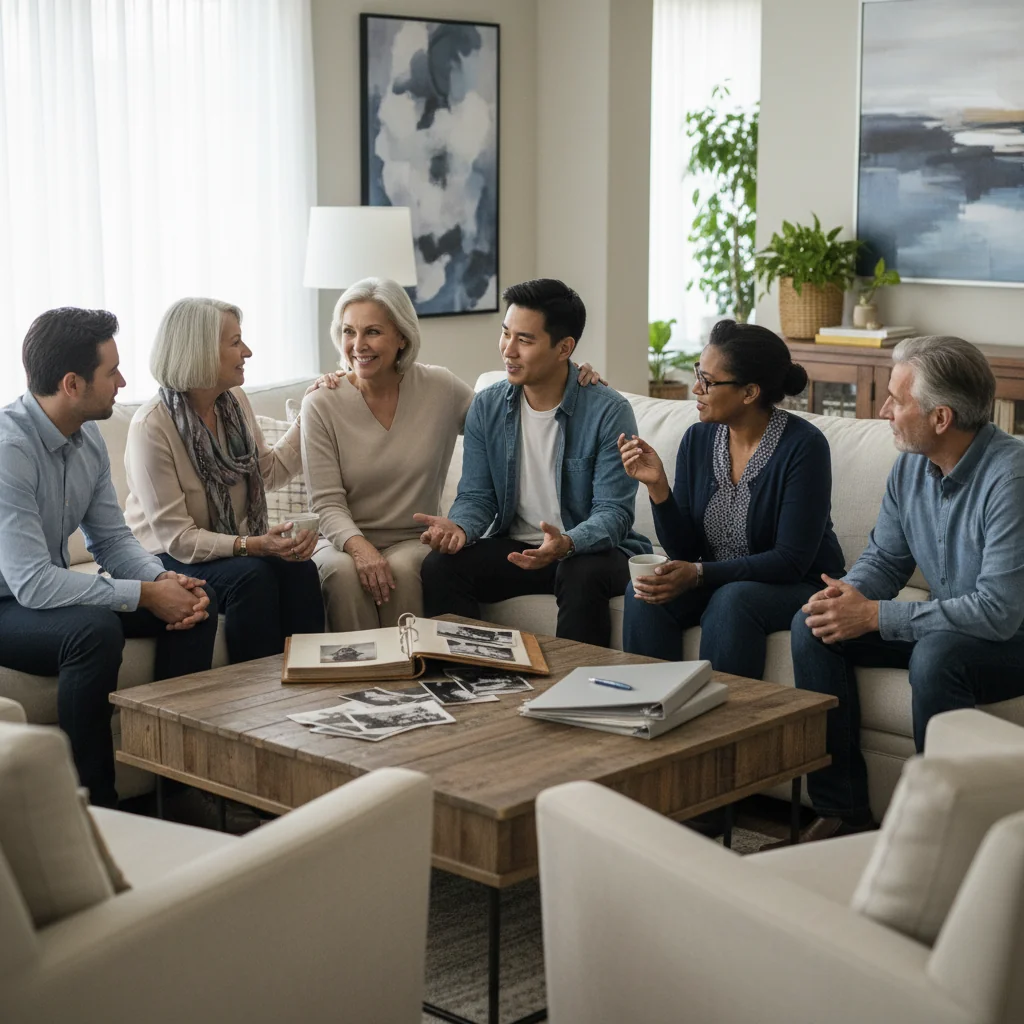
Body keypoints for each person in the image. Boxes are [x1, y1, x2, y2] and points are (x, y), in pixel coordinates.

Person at [791, 335, 1024, 842]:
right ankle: (843, 813)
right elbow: (885, 560)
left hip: (1013, 638)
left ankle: (942, 833)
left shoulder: (1012, 478)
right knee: (814, 625)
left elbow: (999, 613)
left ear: (940, 418)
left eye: (897, 399)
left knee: (937, 657)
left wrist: (875, 617)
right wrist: (845, 597)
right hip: (958, 623)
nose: (883, 410)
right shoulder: (911, 466)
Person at [0, 308, 218, 807]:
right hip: (8, 603)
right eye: (111, 372)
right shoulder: (8, 449)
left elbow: (113, 541)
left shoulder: (88, 436)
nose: (123, 381)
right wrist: (145, 594)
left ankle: (180, 788)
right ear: (72, 383)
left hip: (37, 591)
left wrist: (167, 584)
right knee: (91, 632)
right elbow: (32, 583)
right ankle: (94, 805)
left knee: (194, 606)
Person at [300, 276, 605, 631]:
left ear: (402, 336)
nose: (357, 344)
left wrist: (573, 378)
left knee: (407, 569)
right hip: (341, 539)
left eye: (372, 332)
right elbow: (324, 501)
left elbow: (501, 420)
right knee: (340, 574)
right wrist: (359, 548)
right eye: (349, 331)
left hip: (410, 539)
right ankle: (357, 670)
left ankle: (411, 671)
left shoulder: (439, 388)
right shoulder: (322, 400)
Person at [417, 278, 651, 648]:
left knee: (579, 572)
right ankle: (468, 683)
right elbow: (478, 495)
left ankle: (574, 693)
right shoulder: (488, 405)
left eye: (524, 340)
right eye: (506, 334)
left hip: (588, 552)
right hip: (519, 548)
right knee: (442, 566)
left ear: (565, 348)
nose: (508, 350)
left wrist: (567, 543)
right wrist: (459, 528)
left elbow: (614, 513)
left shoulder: (608, 411)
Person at [618, 320, 845, 677]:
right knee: (644, 589)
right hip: (716, 579)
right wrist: (658, 487)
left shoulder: (804, 446)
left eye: (707, 381)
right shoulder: (697, 440)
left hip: (795, 585)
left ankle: (724, 728)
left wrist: (698, 574)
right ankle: (649, 710)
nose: (696, 388)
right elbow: (684, 550)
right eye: (698, 373)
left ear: (750, 392)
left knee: (732, 599)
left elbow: (791, 561)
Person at [124, 298, 327, 664]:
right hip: (163, 554)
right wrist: (253, 545)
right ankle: (254, 701)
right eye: (235, 342)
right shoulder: (151, 426)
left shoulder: (232, 401)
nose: (246, 351)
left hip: (224, 546)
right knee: (252, 577)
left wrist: (310, 411)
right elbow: (179, 538)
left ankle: (312, 679)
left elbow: (268, 472)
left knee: (300, 568)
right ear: (199, 351)